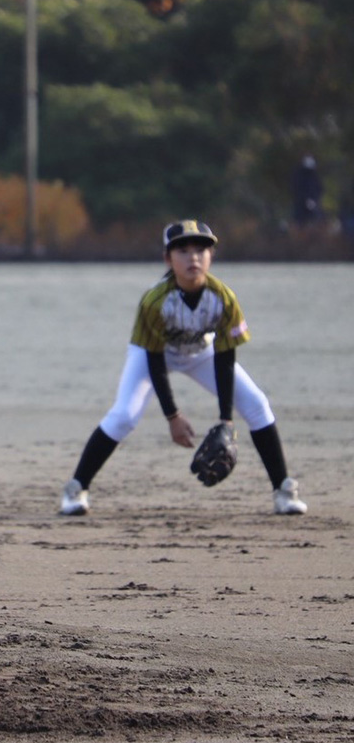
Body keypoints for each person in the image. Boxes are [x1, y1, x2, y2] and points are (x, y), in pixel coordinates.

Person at [58, 219, 307, 518]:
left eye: (201, 250)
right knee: (124, 415)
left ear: (211, 256)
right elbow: (154, 360)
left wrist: (225, 420)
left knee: (257, 405)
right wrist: (173, 416)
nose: (193, 258)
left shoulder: (224, 298)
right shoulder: (155, 301)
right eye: (183, 251)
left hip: (201, 352)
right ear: (167, 258)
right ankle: (76, 488)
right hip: (153, 354)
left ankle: (283, 490)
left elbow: (225, 358)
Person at [292, 155, 323, 227]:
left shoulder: (314, 176)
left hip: (313, 202)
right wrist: (306, 199)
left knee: (319, 217)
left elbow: (319, 189)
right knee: (299, 220)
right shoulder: (299, 176)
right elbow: (297, 189)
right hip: (300, 204)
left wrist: (314, 200)